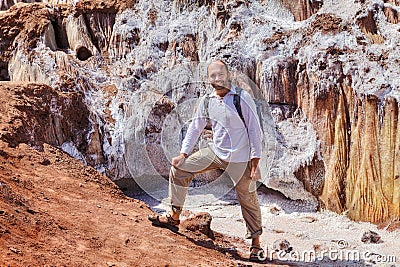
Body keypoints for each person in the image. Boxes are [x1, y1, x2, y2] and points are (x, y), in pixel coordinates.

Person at [149, 59, 264, 261]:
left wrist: (255, 163)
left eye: (220, 74)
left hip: (240, 158)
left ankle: (256, 244)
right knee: (180, 169)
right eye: (213, 75)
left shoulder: (241, 98)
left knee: (248, 198)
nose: (217, 78)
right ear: (208, 78)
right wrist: (183, 154)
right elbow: (195, 128)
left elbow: (255, 131)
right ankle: (174, 217)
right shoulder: (208, 100)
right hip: (216, 152)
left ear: (228, 75)